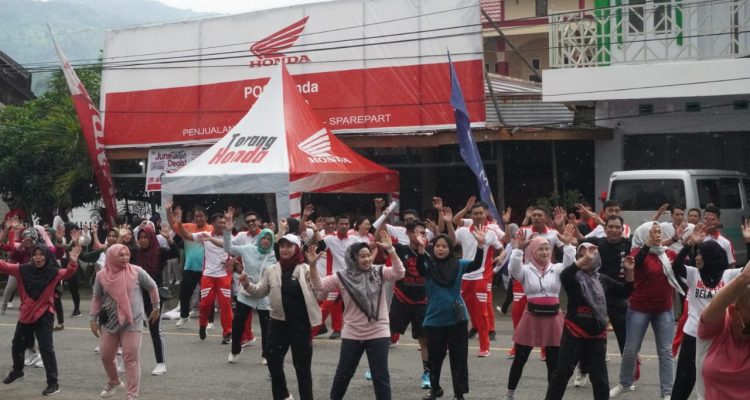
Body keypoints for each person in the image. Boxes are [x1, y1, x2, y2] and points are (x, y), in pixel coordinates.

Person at [309, 231, 405, 400]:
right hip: (353, 332)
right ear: (352, 259)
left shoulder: (379, 271)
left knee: (380, 375)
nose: (367, 259)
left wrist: (391, 250)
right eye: (362, 256)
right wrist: (312, 266)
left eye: (368, 255)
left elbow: (399, 273)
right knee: (344, 373)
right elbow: (319, 286)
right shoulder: (342, 276)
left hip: (378, 331)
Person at [545, 243, 635, 400]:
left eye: (590, 255)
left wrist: (629, 271)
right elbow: (565, 275)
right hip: (573, 332)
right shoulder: (574, 277)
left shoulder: (603, 280)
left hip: (597, 336)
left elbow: (625, 291)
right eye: (581, 255)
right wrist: (584, 260)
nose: (586, 258)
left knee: (600, 379)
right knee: (562, 373)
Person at [240, 234, 321, 400]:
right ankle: (283, 395)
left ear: (297, 248)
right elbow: (260, 291)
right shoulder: (271, 270)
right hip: (277, 323)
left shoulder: (305, 268)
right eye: (282, 246)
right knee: (273, 360)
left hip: (300, 324)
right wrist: (247, 284)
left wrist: (313, 268)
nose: (285, 249)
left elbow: (320, 293)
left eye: (289, 246)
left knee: (302, 367)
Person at [610, 222, 682, 399]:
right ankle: (625, 383)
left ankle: (667, 392)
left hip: (663, 309)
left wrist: (686, 244)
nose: (657, 234)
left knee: (665, 351)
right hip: (639, 308)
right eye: (653, 232)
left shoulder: (668, 253)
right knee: (631, 349)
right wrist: (647, 245)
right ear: (644, 235)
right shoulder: (636, 254)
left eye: (659, 232)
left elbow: (680, 267)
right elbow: (636, 265)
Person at [504, 224, 576, 400]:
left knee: (553, 363)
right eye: (540, 249)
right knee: (520, 359)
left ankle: (552, 396)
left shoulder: (557, 269)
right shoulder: (526, 270)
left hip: (553, 319)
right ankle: (510, 394)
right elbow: (514, 269)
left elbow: (571, 266)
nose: (544, 252)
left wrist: (568, 246)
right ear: (533, 251)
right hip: (532, 318)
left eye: (547, 249)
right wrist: (518, 250)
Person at [1, 243, 81, 396]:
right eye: (35, 254)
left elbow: (68, 273)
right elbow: (4, 266)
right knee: (17, 344)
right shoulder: (22, 270)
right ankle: (18, 371)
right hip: (26, 314)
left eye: (41, 254)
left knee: (46, 348)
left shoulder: (53, 272)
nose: (38, 257)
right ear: (32, 256)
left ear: (46, 256)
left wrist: (73, 261)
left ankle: (53, 383)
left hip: (44, 315)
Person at [419, 219, 487, 400]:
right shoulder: (428, 265)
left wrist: (480, 245)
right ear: (432, 248)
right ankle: (435, 389)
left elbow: (476, 265)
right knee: (435, 358)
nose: (440, 249)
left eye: (444, 246)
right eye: (437, 246)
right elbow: (419, 268)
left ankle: (459, 394)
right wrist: (420, 251)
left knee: (459, 358)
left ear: (450, 248)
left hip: (457, 320)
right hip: (434, 320)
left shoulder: (459, 264)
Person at [671, 229, 737, 400]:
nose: (697, 257)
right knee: (684, 380)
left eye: (701, 254)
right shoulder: (694, 274)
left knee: (713, 379)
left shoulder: (728, 276)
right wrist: (688, 244)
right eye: (697, 253)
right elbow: (675, 266)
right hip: (692, 335)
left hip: (718, 337)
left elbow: (747, 273)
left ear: (711, 256)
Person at [90, 244, 160, 400]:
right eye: (121, 255)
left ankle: (132, 395)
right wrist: (92, 319)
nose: (125, 258)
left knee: (130, 358)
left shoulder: (136, 271)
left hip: (132, 321)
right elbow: (97, 297)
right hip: (110, 321)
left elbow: (152, 286)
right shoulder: (101, 275)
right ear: (112, 257)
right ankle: (114, 382)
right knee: (105, 355)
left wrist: (156, 307)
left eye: (127, 254)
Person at [171, 206, 233, 343]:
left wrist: (233, 261)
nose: (222, 225)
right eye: (219, 222)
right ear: (213, 224)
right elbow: (186, 235)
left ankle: (227, 332)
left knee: (225, 305)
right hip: (208, 275)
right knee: (205, 304)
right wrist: (179, 222)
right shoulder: (205, 235)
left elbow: (236, 250)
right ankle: (202, 324)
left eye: (224, 222)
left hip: (224, 276)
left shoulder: (229, 236)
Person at [450, 202, 504, 357]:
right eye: (475, 213)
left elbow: (501, 248)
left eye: (481, 213)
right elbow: (452, 240)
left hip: (481, 277)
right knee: (458, 312)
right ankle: (453, 344)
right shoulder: (462, 231)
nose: (479, 216)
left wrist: (500, 256)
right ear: (471, 216)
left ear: (486, 213)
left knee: (481, 313)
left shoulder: (491, 233)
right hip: (463, 277)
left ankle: (485, 347)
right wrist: (447, 222)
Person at [223, 207, 276, 365]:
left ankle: (266, 355)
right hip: (246, 293)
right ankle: (235, 350)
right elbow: (228, 248)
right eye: (263, 238)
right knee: (238, 323)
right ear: (259, 239)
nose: (265, 240)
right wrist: (227, 228)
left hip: (264, 295)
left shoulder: (275, 253)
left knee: (266, 327)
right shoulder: (248, 249)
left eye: (268, 238)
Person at [697, 257, 750, 400]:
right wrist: (744, 277)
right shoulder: (713, 330)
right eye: (748, 327)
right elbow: (715, 307)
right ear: (733, 311)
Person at [128, 224, 178, 376]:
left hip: (154, 295)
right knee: (129, 328)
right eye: (140, 238)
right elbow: (119, 252)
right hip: (136, 294)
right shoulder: (135, 252)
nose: (143, 241)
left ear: (151, 238)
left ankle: (161, 363)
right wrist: (121, 236)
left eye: (146, 237)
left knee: (154, 329)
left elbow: (175, 253)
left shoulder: (160, 251)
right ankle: (127, 362)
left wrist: (168, 238)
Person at [387, 220, 431, 389]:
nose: (420, 235)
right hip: (401, 299)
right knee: (386, 335)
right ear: (408, 233)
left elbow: (424, 270)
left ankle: (427, 372)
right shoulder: (400, 249)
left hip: (421, 302)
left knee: (424, 340)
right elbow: (381, 242)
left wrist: (422, 249)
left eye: (423, 233)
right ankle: (377, 367)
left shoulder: (430, 252)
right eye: (417, 232)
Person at [166, 204, 212, 328]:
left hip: (207, 268)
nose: (199, 218)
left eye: (201, 216)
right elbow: (173, 224)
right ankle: (184, 316)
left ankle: (210, 321)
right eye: (196, 216)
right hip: (190, 267)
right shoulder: (187, 227)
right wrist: (168, 210)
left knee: (207, 296)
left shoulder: (211, 229)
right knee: (184, 294)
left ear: (206, 217)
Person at [313, 213, 358, 339]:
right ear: (337, 226)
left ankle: (340, 329)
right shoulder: (329, 239)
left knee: (351, 305)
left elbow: (365, 250)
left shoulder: (354, 239)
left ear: (349, 226)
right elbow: (318, 247)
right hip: (334, 277)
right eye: (341, 224)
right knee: (328, 305)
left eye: (346, 224)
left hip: (352, 277)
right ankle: (312, 330)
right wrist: (316, 229)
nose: (343, 226)